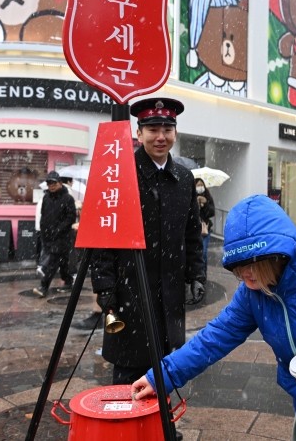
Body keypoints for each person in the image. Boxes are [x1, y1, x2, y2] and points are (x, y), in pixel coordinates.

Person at [131, 194, 296, 441]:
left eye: (252, 263)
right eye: (237, 266)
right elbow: (214, 338)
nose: (244, 274)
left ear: (276, 255)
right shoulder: (252, 293)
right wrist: (160, 377)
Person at [87, 97, 206, 388]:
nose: (161, 136)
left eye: (167, 128)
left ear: (175, 133)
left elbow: (192, 235)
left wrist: (196, 276)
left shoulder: (184, 178)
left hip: (170, 295)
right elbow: (103, 240)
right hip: (129, 294)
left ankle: (164, 430)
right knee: (129, 373)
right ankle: (129, 433)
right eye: (153, 129)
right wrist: (105, 289)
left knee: (166, 369)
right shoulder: (120, 173)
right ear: (139, 133)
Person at [32, 171, 77, 297]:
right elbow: (43, 216)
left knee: (52, 262)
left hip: (62, 237)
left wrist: (58, 230)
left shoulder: (68, 198)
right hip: (48, 236)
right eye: (49, 183)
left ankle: (43, 287)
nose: (51, 185)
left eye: (53, 183)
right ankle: (68, 281)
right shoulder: (46, 198)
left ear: (60, 183)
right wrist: (43, 231)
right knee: (63, 262)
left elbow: (71, 217)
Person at [195, 177, 215, 287]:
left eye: (201, 185)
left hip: (205, 229)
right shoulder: (192, 197)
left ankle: (203, 275)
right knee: (196, 254)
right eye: (197, 185)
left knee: (204, 254)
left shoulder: (208, 197)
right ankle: (197, 275)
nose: (200, 187)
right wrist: (197, 204)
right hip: (195, 230)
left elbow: (211, 212)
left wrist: (205, 203)